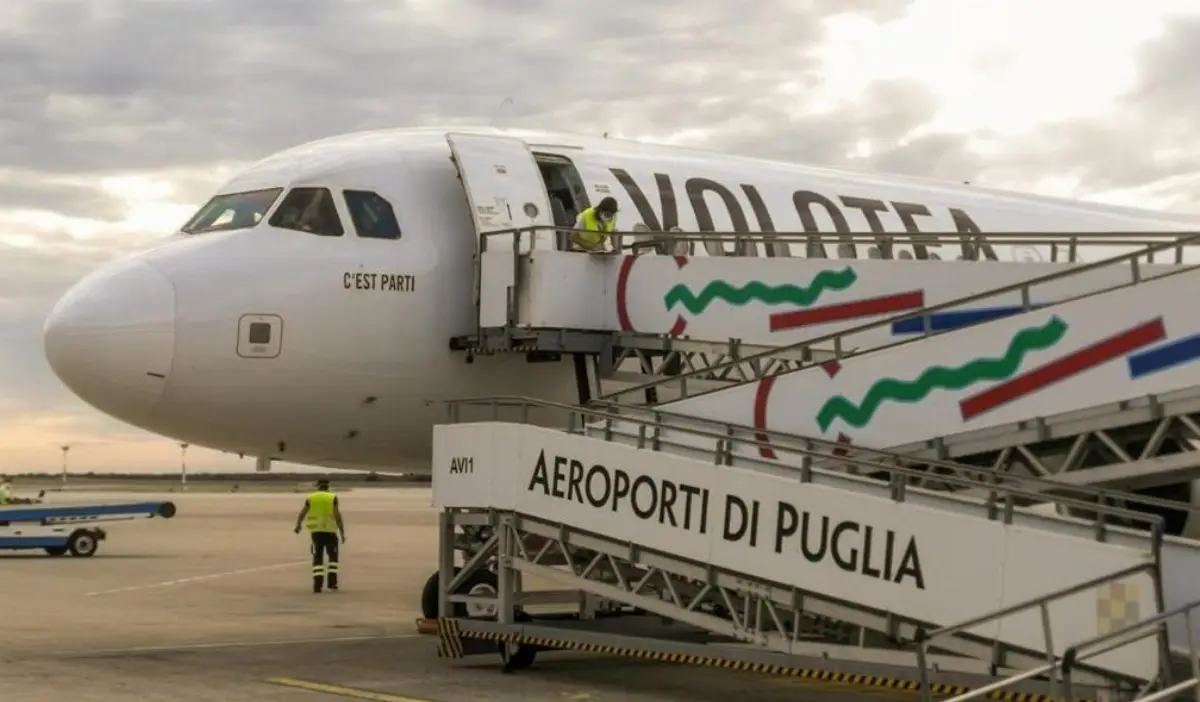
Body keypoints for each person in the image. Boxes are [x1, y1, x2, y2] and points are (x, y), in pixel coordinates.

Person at [293, 478, 345, 592]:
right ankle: (332, 583)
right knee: (333, 558)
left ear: (317, 486)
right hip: (330, 532)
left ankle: (317, 585)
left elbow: (302, 513)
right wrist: (342, 532)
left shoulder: (311, 498)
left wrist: (298, 525)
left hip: (316, 532)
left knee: (317, 558)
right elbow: (337, 516)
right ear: (328, 486)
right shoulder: (332, 498)